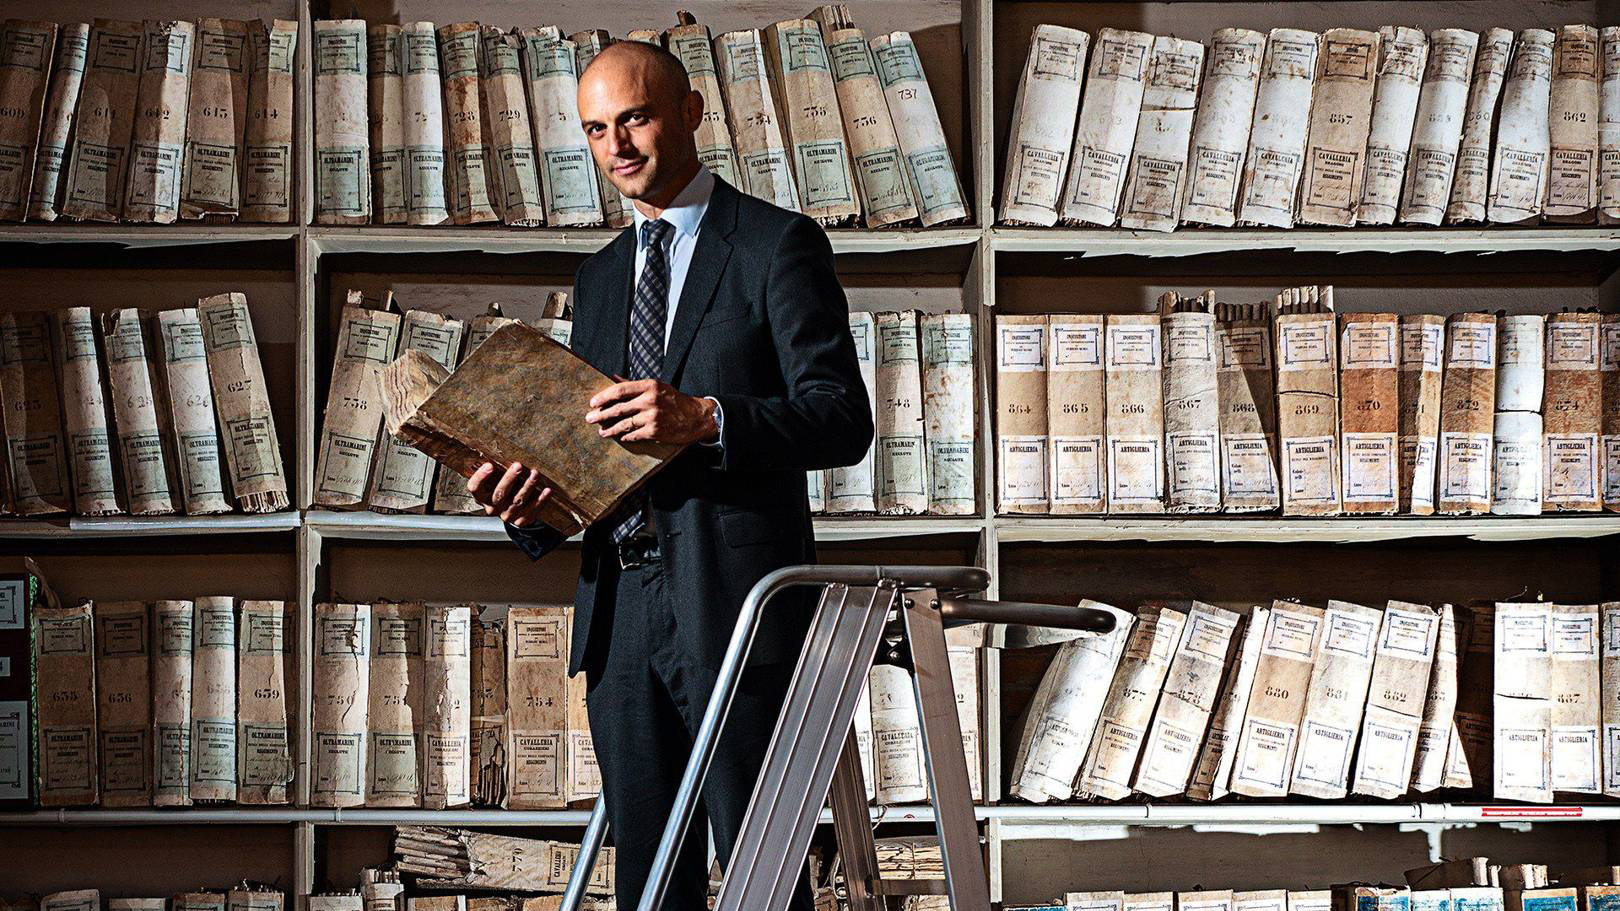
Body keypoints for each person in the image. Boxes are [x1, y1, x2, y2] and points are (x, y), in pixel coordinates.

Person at [465, 38, 872, 911]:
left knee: (765, 880)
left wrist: (706, 418)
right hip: (618, 616)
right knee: (649, 887)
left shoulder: (777, 246)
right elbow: (593, 456)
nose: (618, 146)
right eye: (597, 130)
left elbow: (843, 418)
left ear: (690, 113)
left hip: (735, 606)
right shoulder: (601, 276)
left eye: (637, 118)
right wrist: (531, 506)